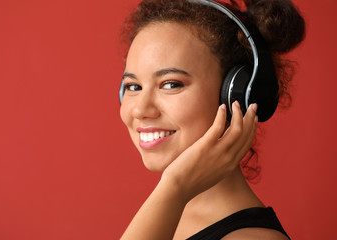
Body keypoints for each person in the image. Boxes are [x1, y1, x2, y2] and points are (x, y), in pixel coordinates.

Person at [118, 0, 305, 239]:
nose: (140, 110)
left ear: (234, 93)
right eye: (133, 86)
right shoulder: (166, 212)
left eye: (171, 84)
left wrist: (175, 186)